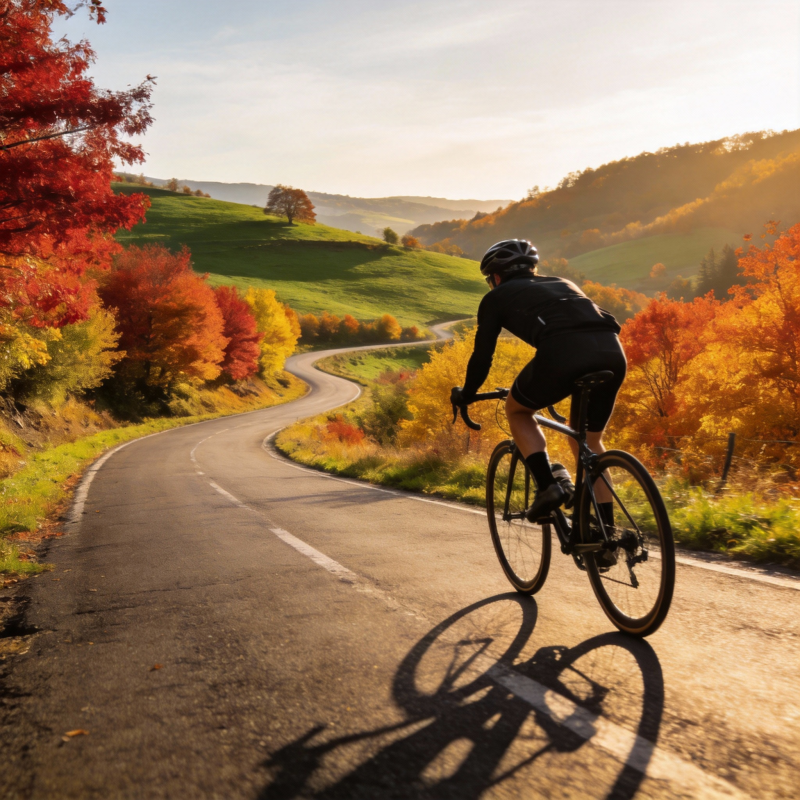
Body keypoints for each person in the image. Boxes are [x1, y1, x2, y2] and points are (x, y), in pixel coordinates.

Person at [451, 239, 627, 537]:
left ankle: (548, 488)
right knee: (589, 442)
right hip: (613, 352)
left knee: (518, 410)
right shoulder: (564, 282)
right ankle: (605, 532)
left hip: (563, 353)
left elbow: (483, 356)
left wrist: (467, 392)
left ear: (495, 277)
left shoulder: (495, 298)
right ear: (533, 268)